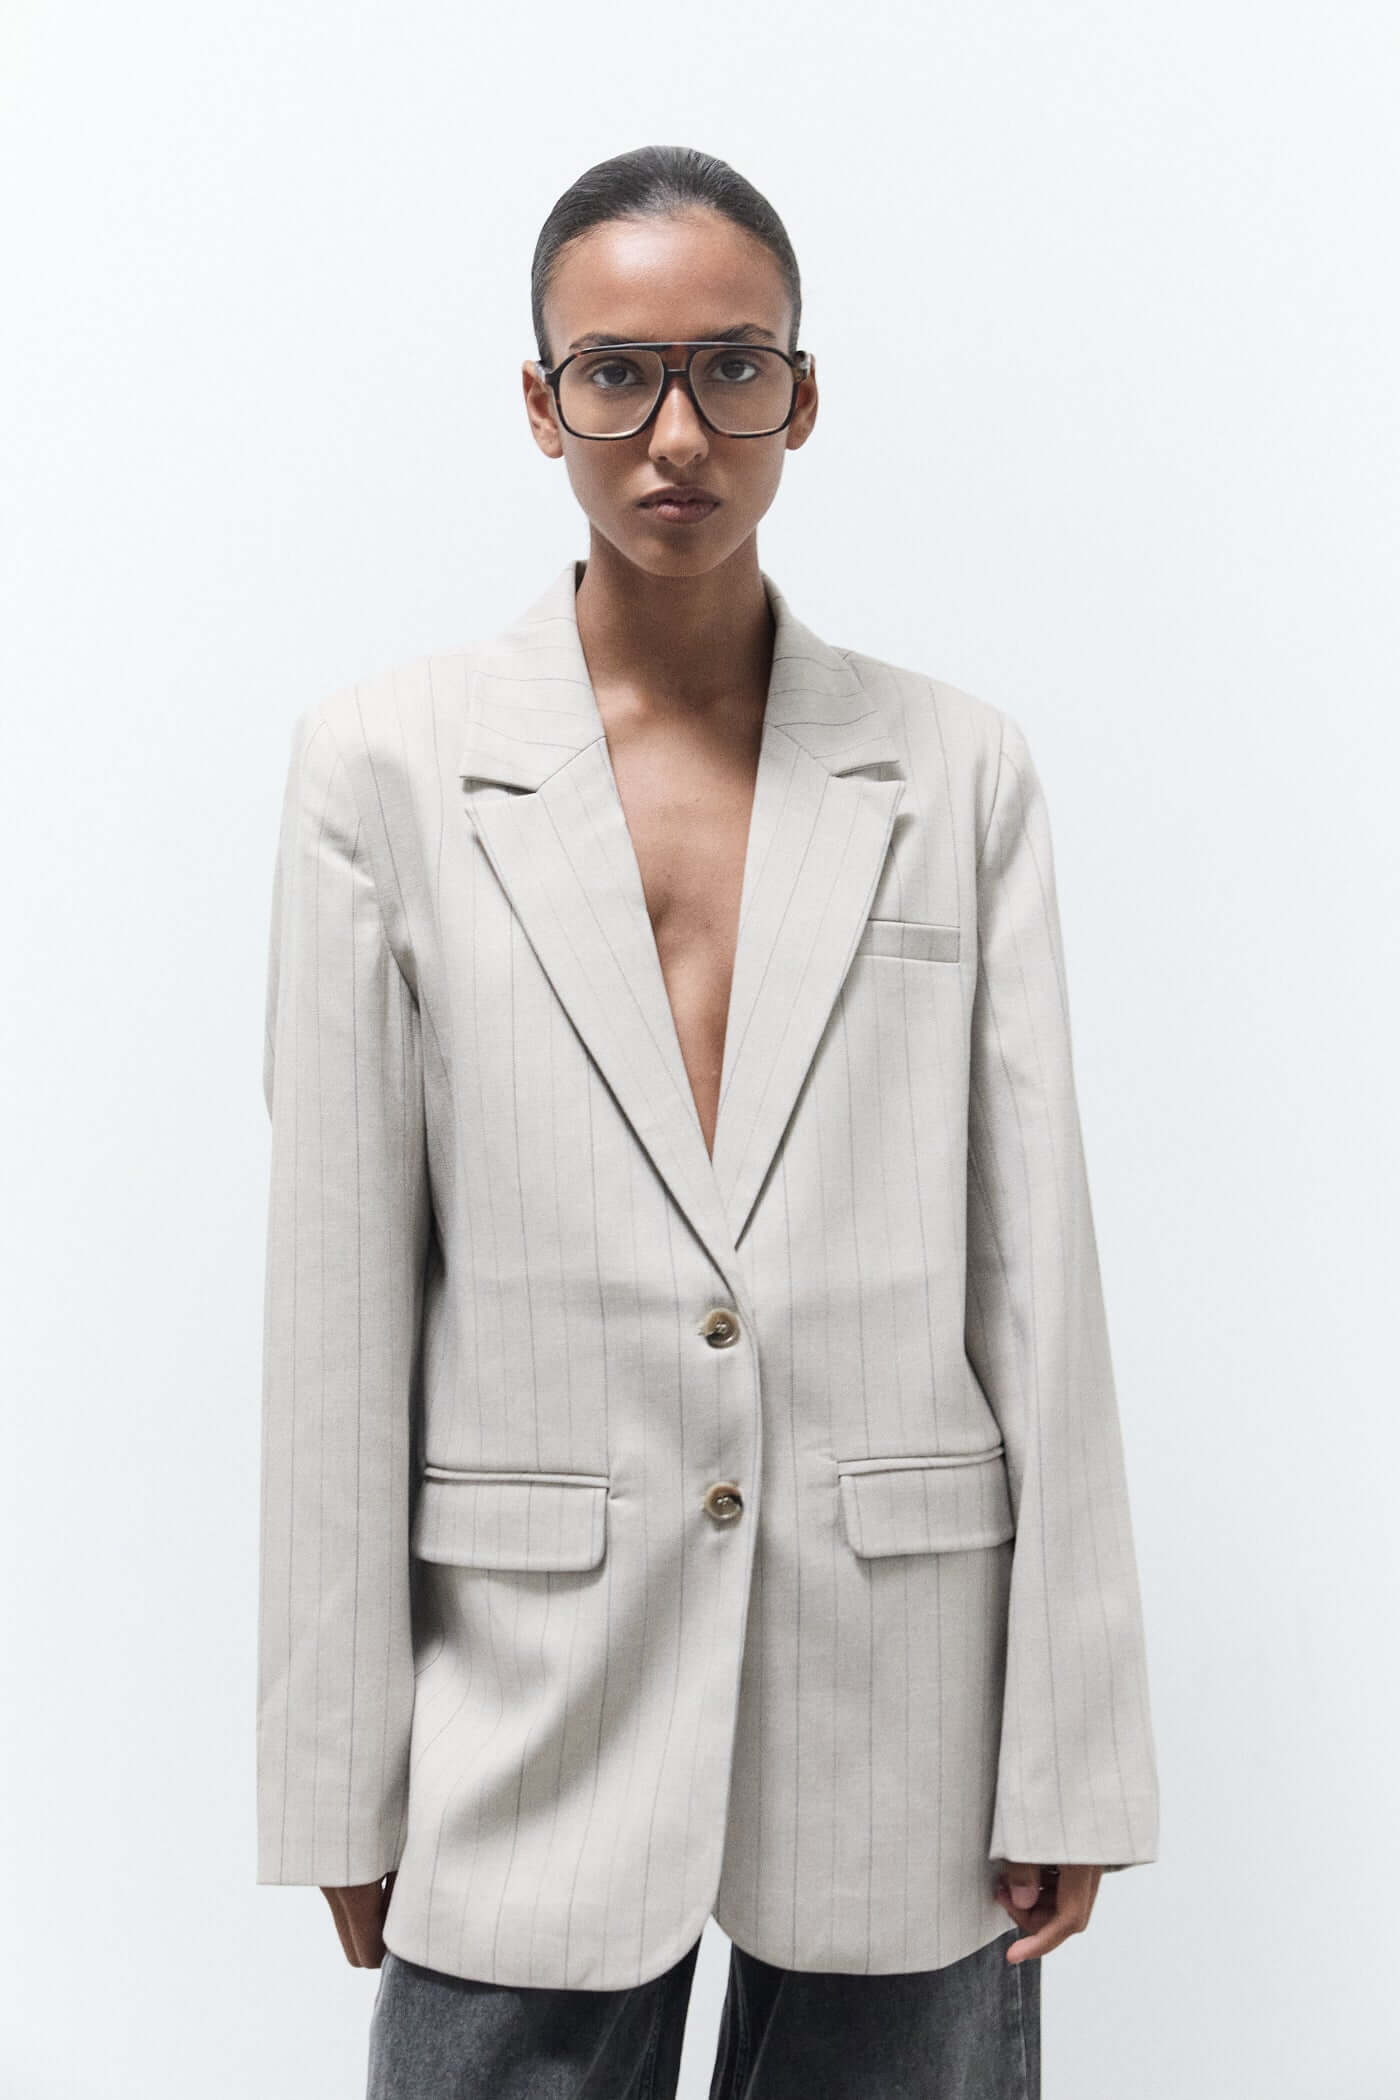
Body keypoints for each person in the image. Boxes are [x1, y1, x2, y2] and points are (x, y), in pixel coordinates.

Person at [256, 142, 1159, 2099]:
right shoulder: (383, 771)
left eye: (731, 369)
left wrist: (1071, 1745)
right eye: (617, 374)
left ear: (801, 397)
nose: (675, 434)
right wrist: (338, 1774)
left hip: (902, 1705)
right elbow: (338, 1299)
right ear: (540, 401)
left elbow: (1038, 1274)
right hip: (531, 1705)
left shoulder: (955, 771)